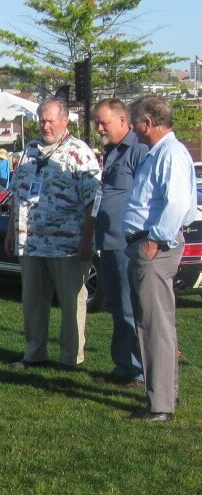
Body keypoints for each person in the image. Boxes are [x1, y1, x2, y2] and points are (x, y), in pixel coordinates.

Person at [4, 98, 101, 370]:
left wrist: (87, 239)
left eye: (50, 121)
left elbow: (93, 200)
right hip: (30, 243)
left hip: (67, 245)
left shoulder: (79, 152)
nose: (45, 126)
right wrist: (11, 232)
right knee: (33, 302)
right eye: (42, 120)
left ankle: (71, 359)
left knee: (71, 304)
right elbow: (17, 195)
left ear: (65, 121)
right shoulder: (30, 150)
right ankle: (34, 354)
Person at [123, 95, 197, 422]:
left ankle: (160, 404)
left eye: (135, 123)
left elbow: (178, 203)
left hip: (154, 247)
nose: (133, 129)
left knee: (154, 327)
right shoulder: (161, 153)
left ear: (149, 122)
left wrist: (153, 241)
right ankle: (166, 395)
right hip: (148, 244)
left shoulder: (170, 153)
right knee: (156, 324)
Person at [92, 98, 147, 388]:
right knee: (116, 305)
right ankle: (124, 365)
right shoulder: (111, 150)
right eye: (97, 123)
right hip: (109, 241)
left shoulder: (139, 150)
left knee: (130, 307)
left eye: (104, 123)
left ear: (123, 120)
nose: (99, 128)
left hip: (127, 243)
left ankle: (139, 370)